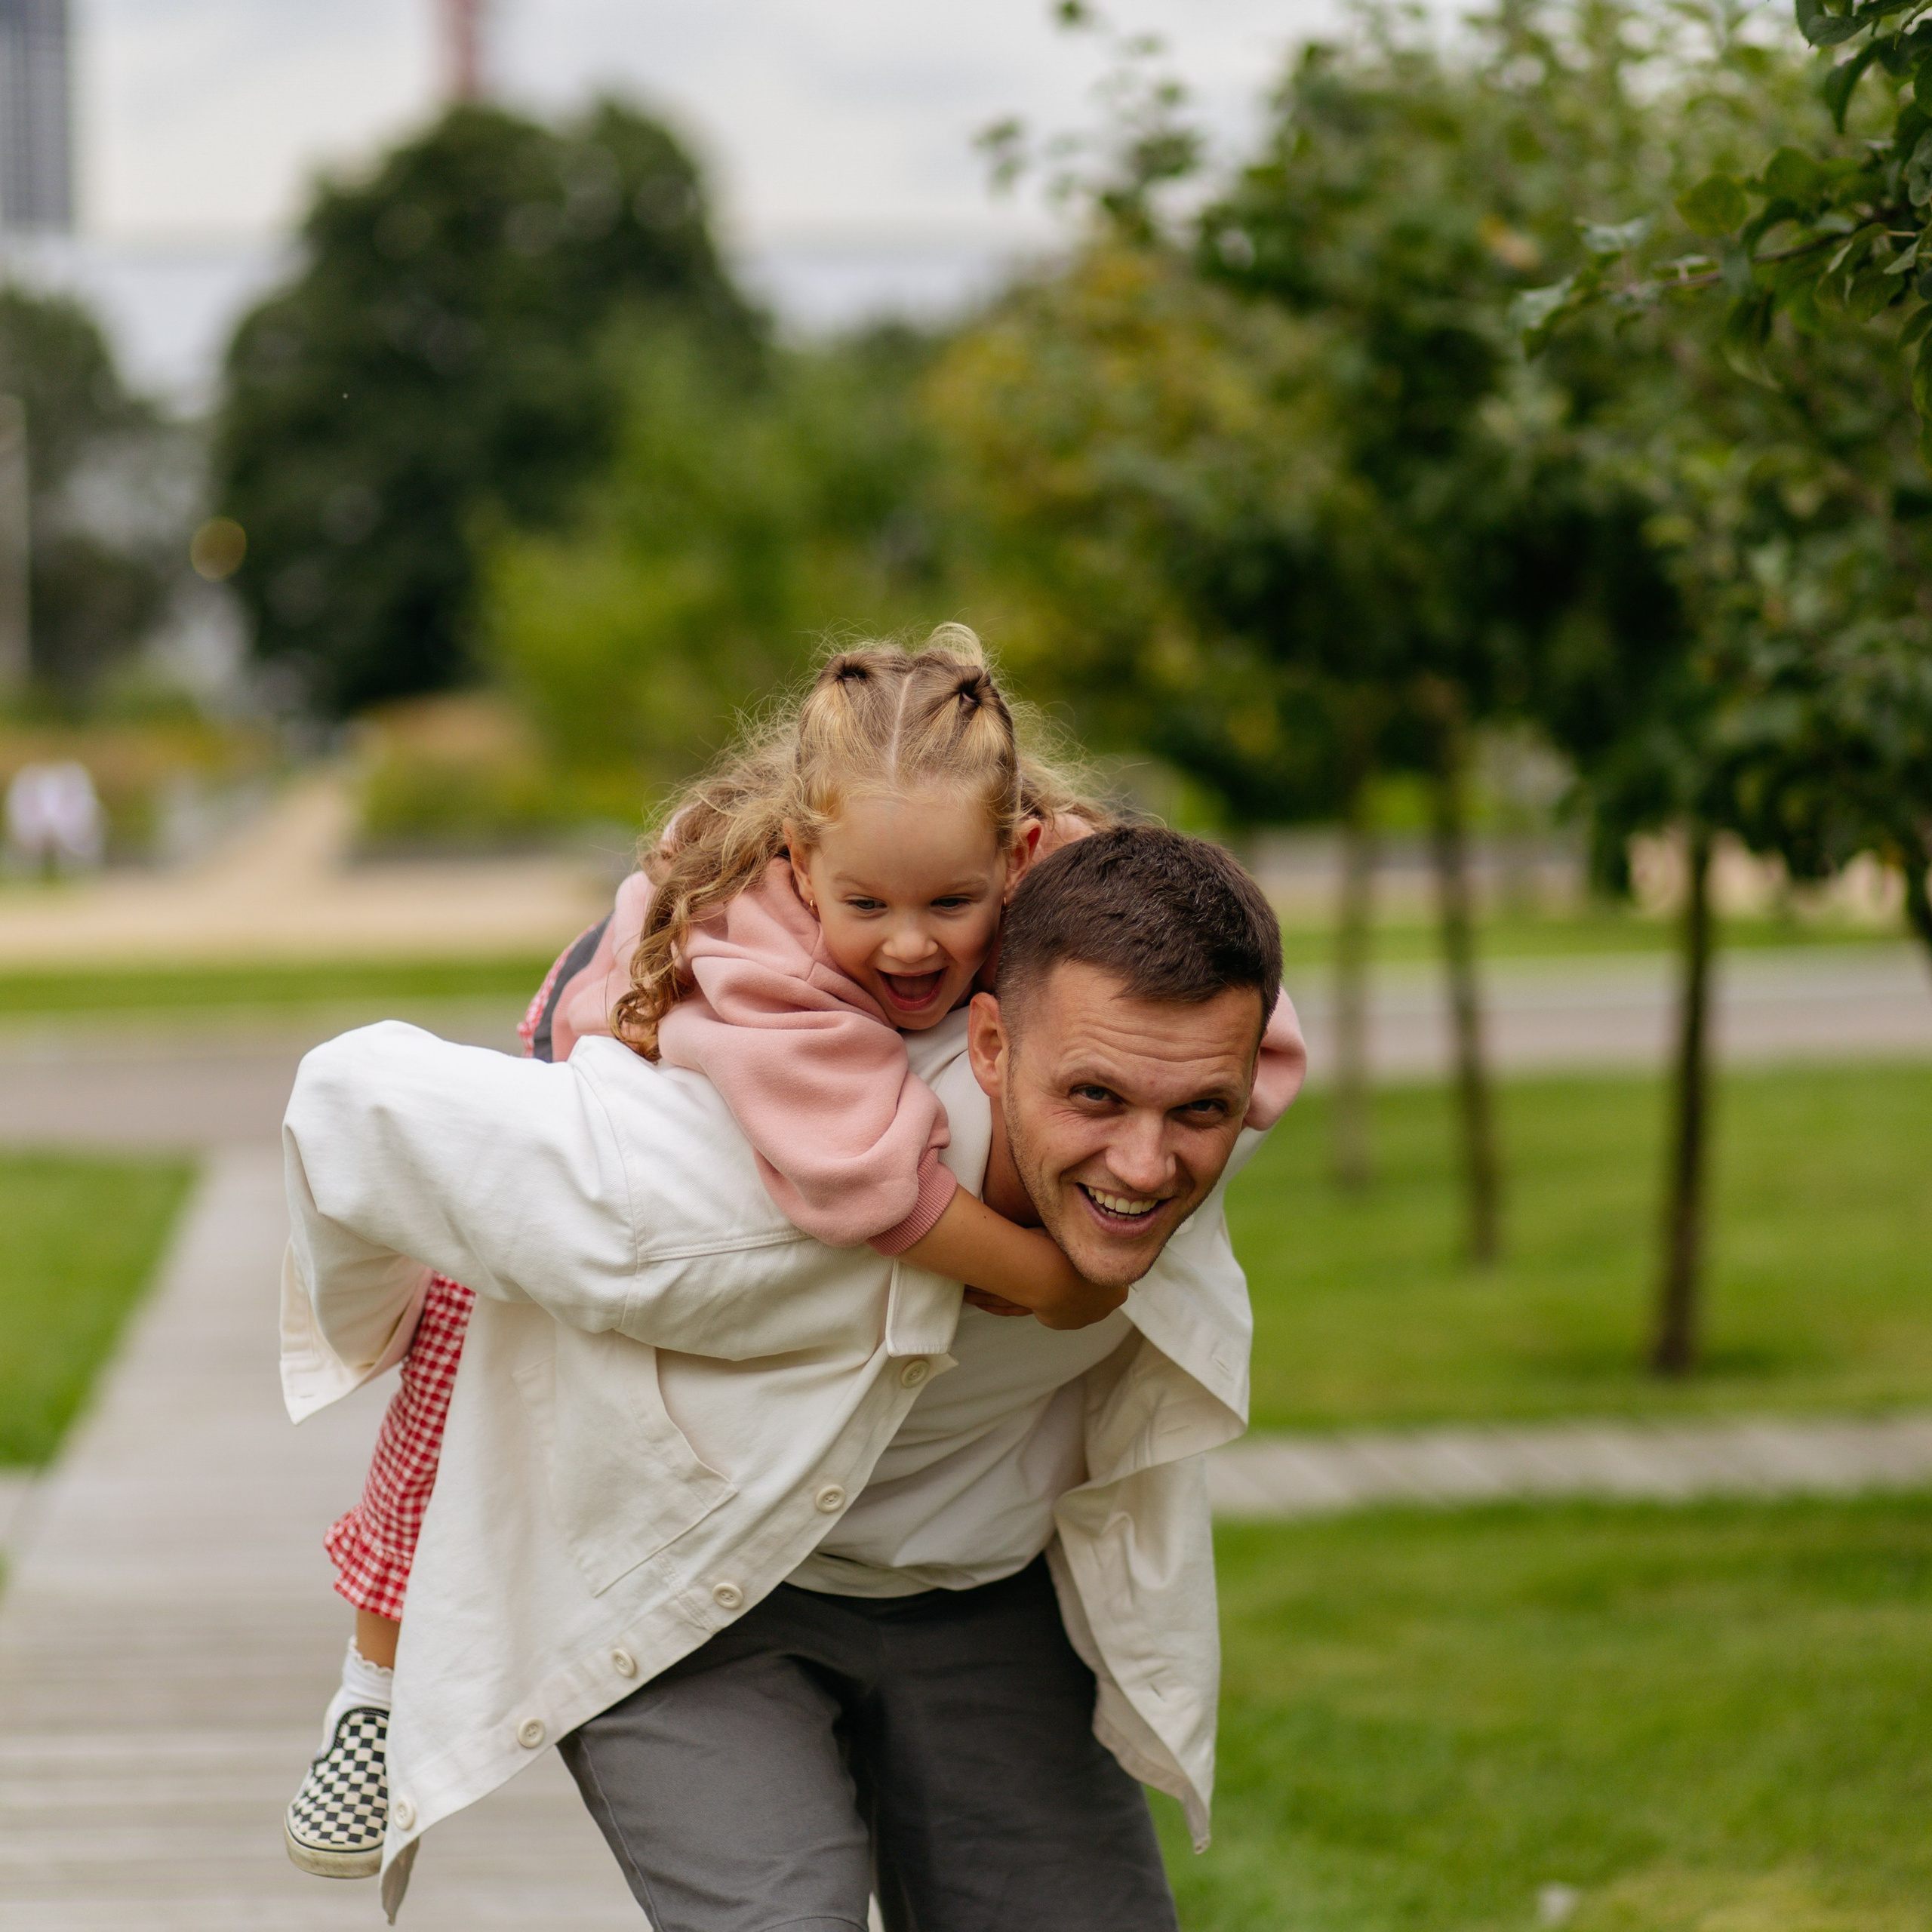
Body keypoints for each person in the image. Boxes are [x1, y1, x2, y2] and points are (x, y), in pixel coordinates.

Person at [283, 629, 1303, 1879]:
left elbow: (1247, 1027)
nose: (914, 944)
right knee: (466, 1342)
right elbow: (860, 1174)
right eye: (867, 906)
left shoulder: (1065, 876)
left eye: (954, 904)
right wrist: (1046, 1274)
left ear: (1020, 855)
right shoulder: (761, 964)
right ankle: (374, 1676)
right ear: (800, 864)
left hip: (960, 1573)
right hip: (611, 1048)